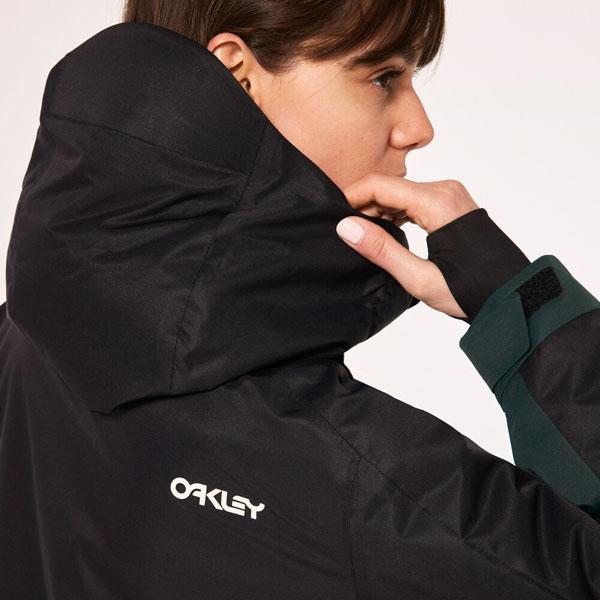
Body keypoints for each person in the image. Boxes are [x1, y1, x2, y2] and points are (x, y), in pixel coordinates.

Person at [1, 2, 599, 598]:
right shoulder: (367, 487)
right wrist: (527, 310)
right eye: (383, 77)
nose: (419, 128)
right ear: (237, 76)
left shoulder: (16, 345)